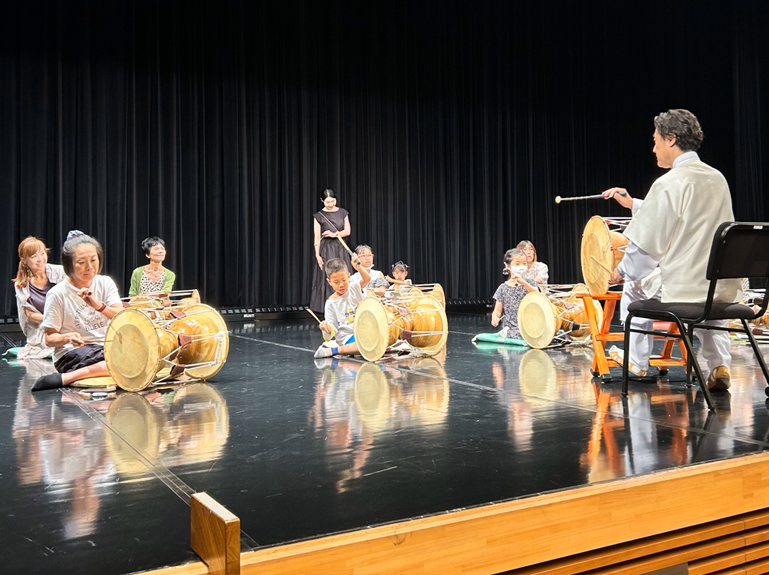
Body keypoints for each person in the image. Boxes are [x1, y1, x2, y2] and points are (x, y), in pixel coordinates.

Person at [603, 109, 741, 389]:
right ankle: (719, 365)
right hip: (722, 286)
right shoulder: (717, 178)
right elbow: (690, 215)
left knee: (634, 283)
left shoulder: (669, 182)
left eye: (655, 141)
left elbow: (645, 250)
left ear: (671, 138)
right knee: (708, 292)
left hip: (685, 289)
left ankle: (637, 362)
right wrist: (634, 205)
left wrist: (620, 271)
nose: (653, 148)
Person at [31, 232, 123, 391]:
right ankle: (71, 375)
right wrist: (67, 337)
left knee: (143, 355)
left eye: (94, 260)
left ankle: (69, 378)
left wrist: (98, 306)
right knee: (124, 364)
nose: (89, 266)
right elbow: (49, 338)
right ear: (69, 265)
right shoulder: (57, 293)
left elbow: (120, 316)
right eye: (81, 262)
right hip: (71, 354)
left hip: (106, 348)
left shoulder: (105, 283)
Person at [12, 237, 67, 359]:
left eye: (42, 253)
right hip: (40, 329)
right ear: (24, 260)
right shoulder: (21, 284)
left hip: (67, 323)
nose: (40, 259)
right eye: (34, 256)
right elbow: (30, 315)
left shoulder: (60, 272)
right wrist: (54, 320)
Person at [315, 255, 371, 358]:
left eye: (344, 280)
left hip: (364, 330)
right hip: (347, 336)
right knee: (366, 345)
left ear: (349, 276)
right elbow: (332, 330)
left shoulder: (354, 287)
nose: (341, 285)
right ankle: (334, 350)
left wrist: (358, 267)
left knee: (383, 338)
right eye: (336, 282)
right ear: (329, 282)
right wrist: (326, 328)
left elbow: (367, 278)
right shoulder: (331, 303)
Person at [311, 189, 352, 313]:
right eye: (327, 202)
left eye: (332, 201)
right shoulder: (319, 216)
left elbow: (347, 231)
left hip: (340, 246)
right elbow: (317, 237)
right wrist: (317, 254)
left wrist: (335, 234)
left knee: (343, 273)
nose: (330, 204)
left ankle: (346, 307)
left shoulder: (343, 212)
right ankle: (329, 309)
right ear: (322, 201)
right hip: (326, 248)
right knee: (328, 274)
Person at [490, 248, 539, 339]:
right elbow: (497, 311)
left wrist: (524, 283)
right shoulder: (503, 288)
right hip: (513, 327)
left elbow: (538, 295)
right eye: (517, 263)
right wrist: (495, 317)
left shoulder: (530, 283)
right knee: (519, 334)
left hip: (531, 324)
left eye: (524, 263)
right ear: (508, 266)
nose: (521, 266)